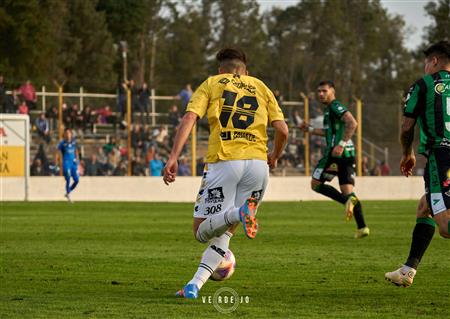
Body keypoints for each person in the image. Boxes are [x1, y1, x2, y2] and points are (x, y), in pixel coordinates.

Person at [163, 47, 288, 299]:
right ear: (246, 70)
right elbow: (283, 129)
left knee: (201, 232)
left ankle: (239, 212)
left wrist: (174, 156)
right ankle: (194, 286)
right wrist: (274, 155)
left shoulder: (212, 83)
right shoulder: (261, 86)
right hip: (258, 165)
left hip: (225, 162)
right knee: (224, 233)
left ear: (221, 70)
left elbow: (189, 118)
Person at [385, 41, 450, 287]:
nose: (424, 67)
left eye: (426, 62)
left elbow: (407, 127)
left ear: (434, 61)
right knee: (425, 207)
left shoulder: (424, 85)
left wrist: (406, 153)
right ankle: (407, 270)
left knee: (445, 225)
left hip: (442, 155)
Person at [299, 81, 369, 239]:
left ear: (333, 91)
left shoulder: (335, 106)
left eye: (324, 91)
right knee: (348, 192)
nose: (321, 94)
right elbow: (328, 132)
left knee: (315, 184)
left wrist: (341, 144)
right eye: (319, 91)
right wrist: (309, 130)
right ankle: (362, 227)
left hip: (335, 154)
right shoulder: (329, 111)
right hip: (348, 155)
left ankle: (345, 201)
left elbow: (352, 122)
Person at [56, 128, 80, 202]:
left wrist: (77, 159)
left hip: (73, 163)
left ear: (71, 134)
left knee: (76, 180)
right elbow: (58, 152)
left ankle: (68, 192)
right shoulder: (62, 143)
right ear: (64, 135)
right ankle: (69, 195)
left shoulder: (74, 142)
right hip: (66, 162)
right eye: (66, 133)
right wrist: (57, 160)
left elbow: (76, 151)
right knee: (68, 177)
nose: (68, 135)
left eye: (69, 133)